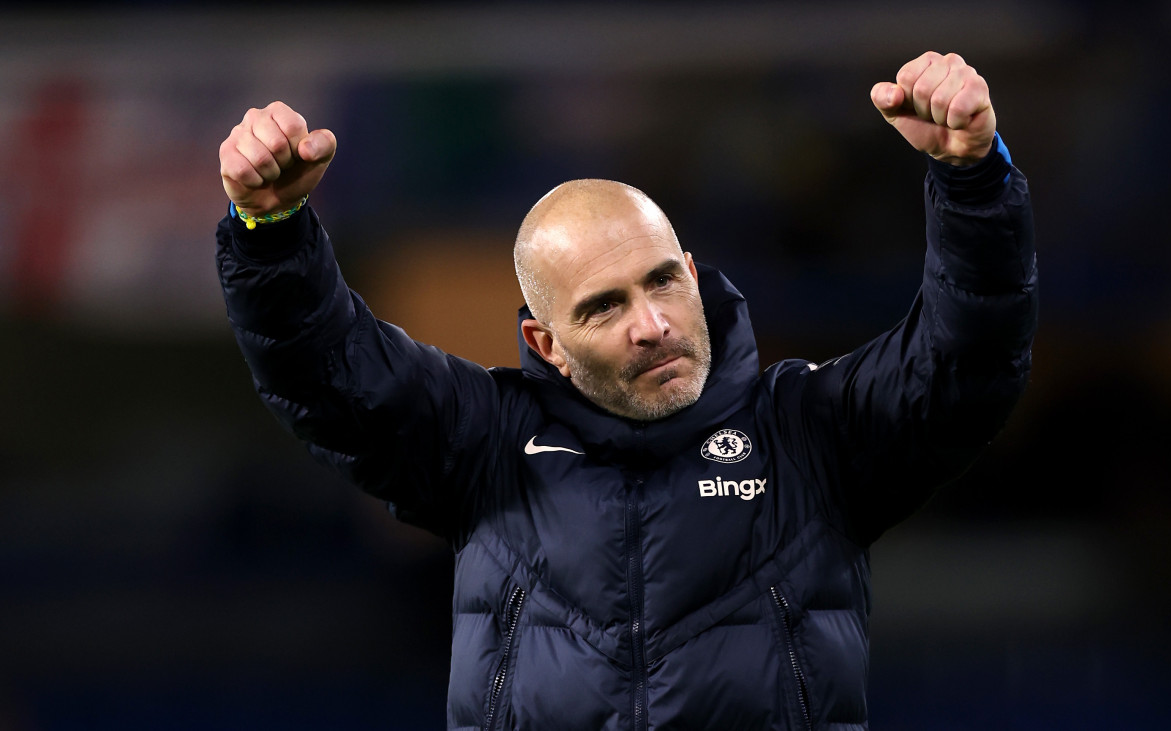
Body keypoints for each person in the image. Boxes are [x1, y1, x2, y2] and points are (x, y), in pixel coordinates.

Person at [216, 51, 1037, 730]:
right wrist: (270, 232)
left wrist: (971, 181)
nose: (650, 323)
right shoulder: (485, 444)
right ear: (547, 344)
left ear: (692, 274)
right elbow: (327, 373)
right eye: (604, 306)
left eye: (661, 282)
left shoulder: (809, 430)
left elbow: (963, 365)